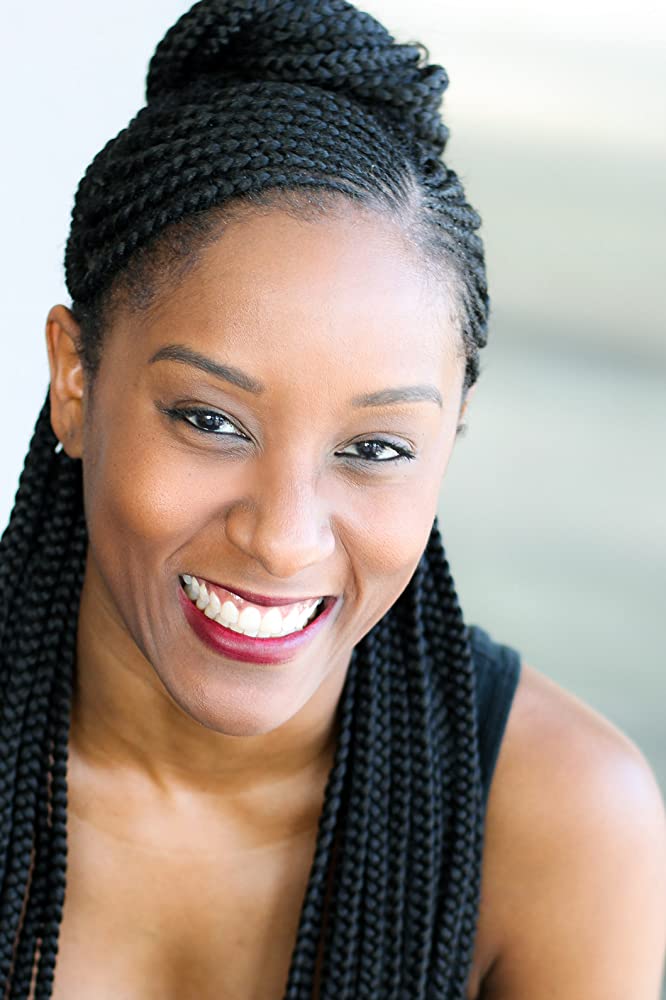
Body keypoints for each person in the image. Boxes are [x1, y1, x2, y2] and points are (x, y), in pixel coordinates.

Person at [1, 0, 664, 996]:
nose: (282, 537)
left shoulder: (560, 822)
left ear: (450, 435)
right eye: (210, 420)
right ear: (76, 380)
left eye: (375, 447)